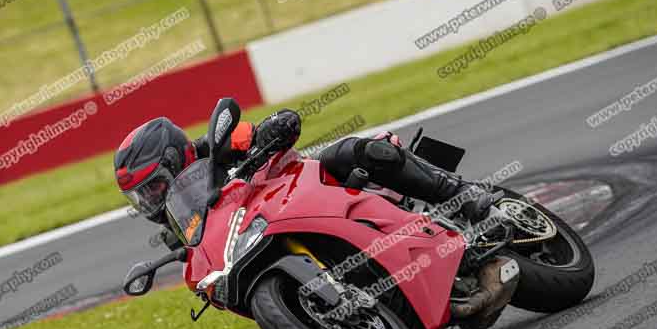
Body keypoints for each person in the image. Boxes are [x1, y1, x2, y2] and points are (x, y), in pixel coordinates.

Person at [114, 107, 493, 228]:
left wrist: (273, 128)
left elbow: (261, 130)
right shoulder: (181, 229)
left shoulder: (217, 147)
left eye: (153, 186)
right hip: (277, 232)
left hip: (313, 193)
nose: (152, 199)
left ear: (174, 158)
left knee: (349, 154)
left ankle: (457, 193)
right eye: (142, 196)